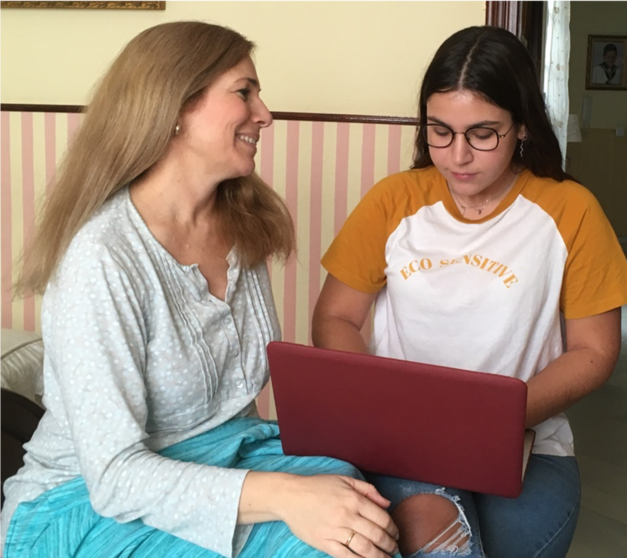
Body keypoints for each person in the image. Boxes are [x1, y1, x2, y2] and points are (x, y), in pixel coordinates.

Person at [0, 21, 401, 558]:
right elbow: (116, 478)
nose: (265, 113)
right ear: (175, 109)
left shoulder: (243, 223)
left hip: (217, 458)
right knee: (331, 543)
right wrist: (285, 496)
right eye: (244, 91)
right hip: (81, 507)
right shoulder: (103, 257)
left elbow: (236, 411)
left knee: (357, 499)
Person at [313, 25, 627, 558]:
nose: (457, 155)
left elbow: (595, 353)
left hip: (526, 441)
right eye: (440, 131)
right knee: (430, 527)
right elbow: (334, 319)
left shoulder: (571, 210)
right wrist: (382, 409)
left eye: (483, 133)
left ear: (521, 125)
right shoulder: (393, 201)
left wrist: (500, 417)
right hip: (401, 440)